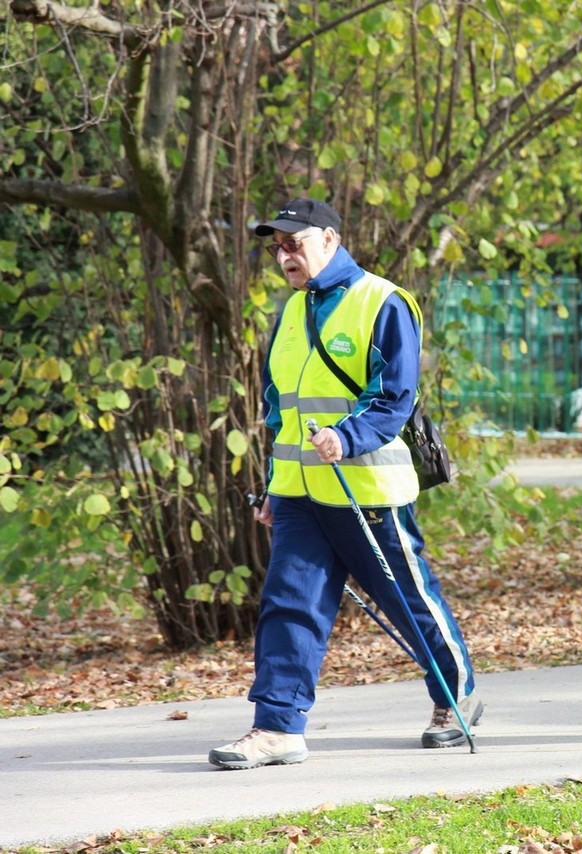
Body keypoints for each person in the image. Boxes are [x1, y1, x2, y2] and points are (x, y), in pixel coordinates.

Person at [209, 198, 480, 770]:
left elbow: (393, 397)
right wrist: (272, 489)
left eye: (294, 242)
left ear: (329, 239)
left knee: (408, 602)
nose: (283, 255)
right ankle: (277, 727)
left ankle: (457, 696)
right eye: (275, 246)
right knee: (288, 604)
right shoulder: (289, 314)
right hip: (302, 498)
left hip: (367, 492)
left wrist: (346, 437)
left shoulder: (383, 301)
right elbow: (278, 410)